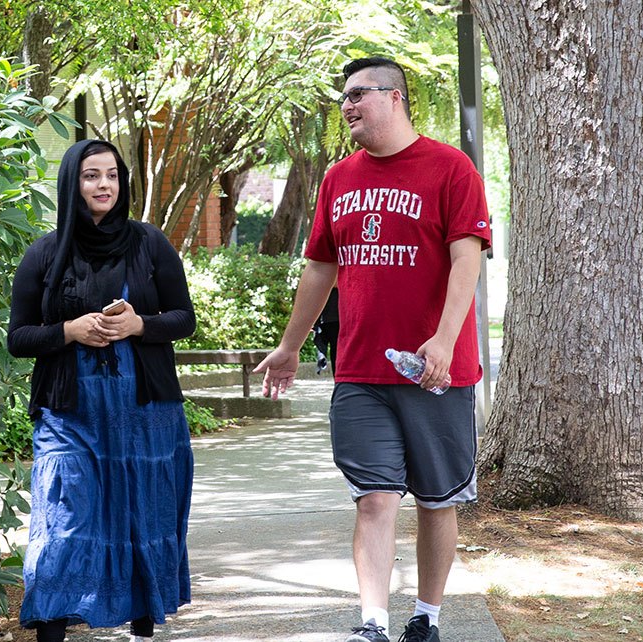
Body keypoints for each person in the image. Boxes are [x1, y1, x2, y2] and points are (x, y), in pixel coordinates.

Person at [253, 57, 491, 642]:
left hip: (435, 371)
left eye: (359, 94)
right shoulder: (338, 178)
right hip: (359, 369)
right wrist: (290, 345)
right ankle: (372, 624)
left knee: (438, 500)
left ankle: (427, 618)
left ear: (396, 97)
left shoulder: (450, 168)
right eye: (344, 98)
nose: (349, 106)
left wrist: (442, 336)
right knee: (373, 499)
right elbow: (320, 268)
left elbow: (467, 259)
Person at [7, 139, 196, 642]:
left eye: (112, 175)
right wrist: (68, 331)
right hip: (69, 412)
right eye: (92, 176)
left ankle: (142, 628)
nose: (104, 185)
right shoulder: (45, 253)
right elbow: (18, 337)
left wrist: (138, 325)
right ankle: (50, 632)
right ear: (73, 183)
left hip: (144, 410)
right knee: (61, 523)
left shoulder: (150, 243)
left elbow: (184, 319)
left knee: (142, 512)